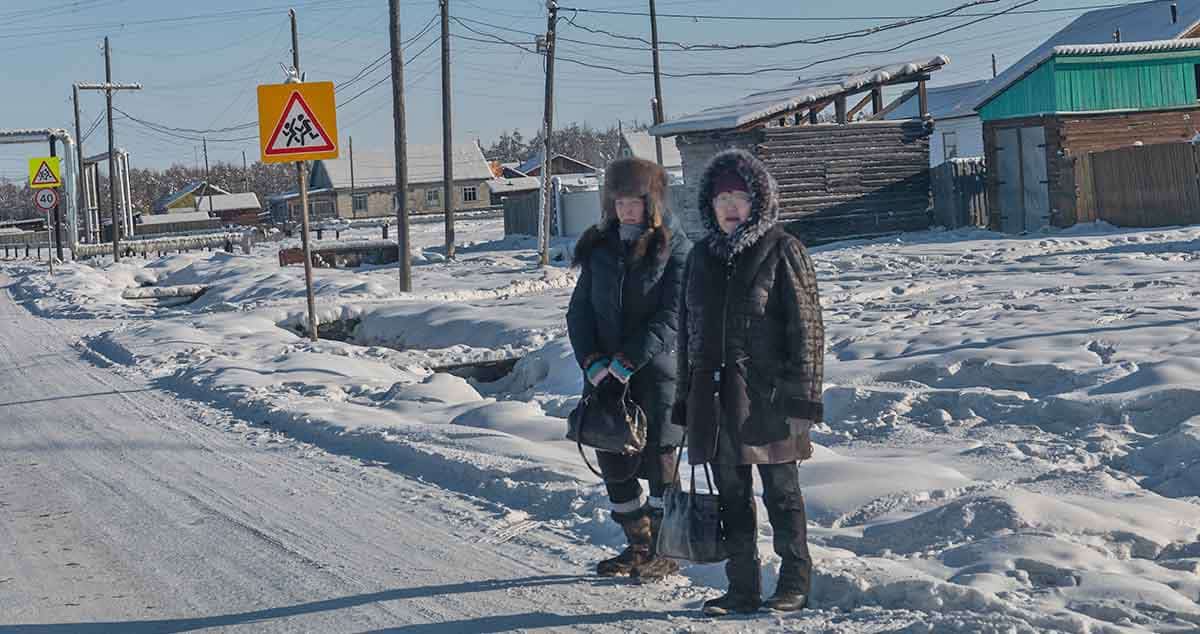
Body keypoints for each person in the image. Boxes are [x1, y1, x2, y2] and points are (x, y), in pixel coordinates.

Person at [672, 149, 825, 615]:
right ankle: (742, 588)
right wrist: (684, 400)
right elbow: (686, 334)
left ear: (758, 200)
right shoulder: (699, 257)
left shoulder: (782, 249)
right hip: (713, 400)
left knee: (782, 494)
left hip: (769, 400)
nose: (731, 206)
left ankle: (795, 582)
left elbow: (809, 330)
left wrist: (803, 399)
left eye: (740, 195)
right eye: (722, 198)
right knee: (731, 497)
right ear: (709, 206)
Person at [567, 156, 692, 582]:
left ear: (652, 201)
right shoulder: (599, 247)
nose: (625, 211)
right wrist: (592, 361)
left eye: (633, 203)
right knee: (614, 464)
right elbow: (579, 311)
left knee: (659, 466)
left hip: (657, 374)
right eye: (618, 203)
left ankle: (664, 549)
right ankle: (638, 546)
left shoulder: (674, 246)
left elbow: (676, 313)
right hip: (605, 379)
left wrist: (630, 358)